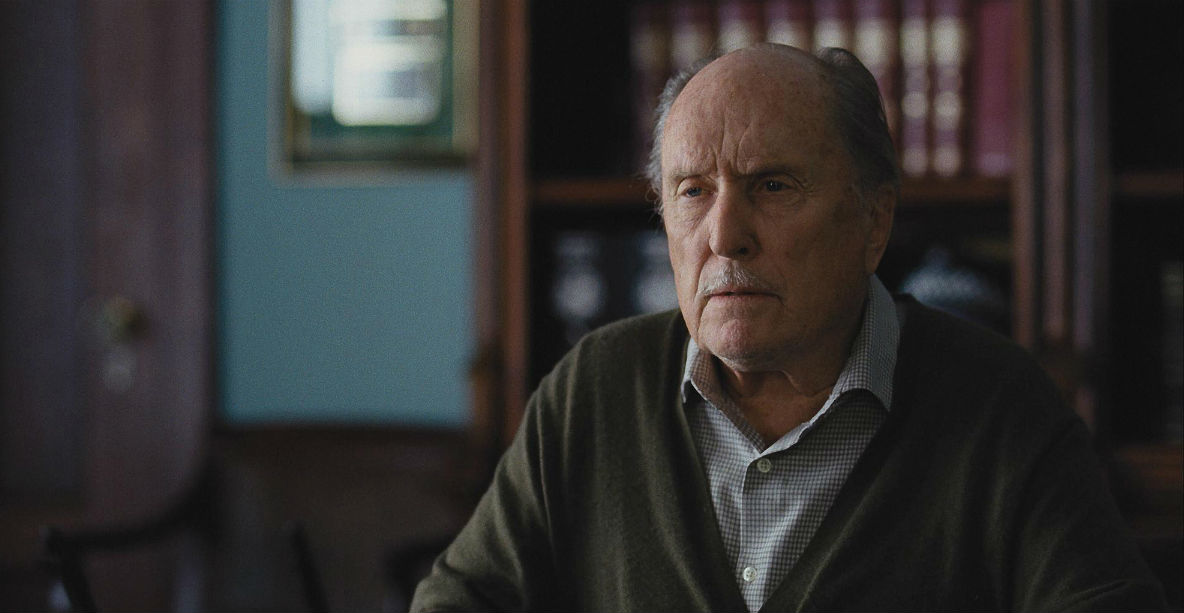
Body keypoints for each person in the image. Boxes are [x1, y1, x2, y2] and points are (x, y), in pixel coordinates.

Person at [410, 44, 1166, 612]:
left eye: (772, 186)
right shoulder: (594, 391)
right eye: (692, 192)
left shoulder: (998, 405)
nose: (724, 235)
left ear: (873, 220)